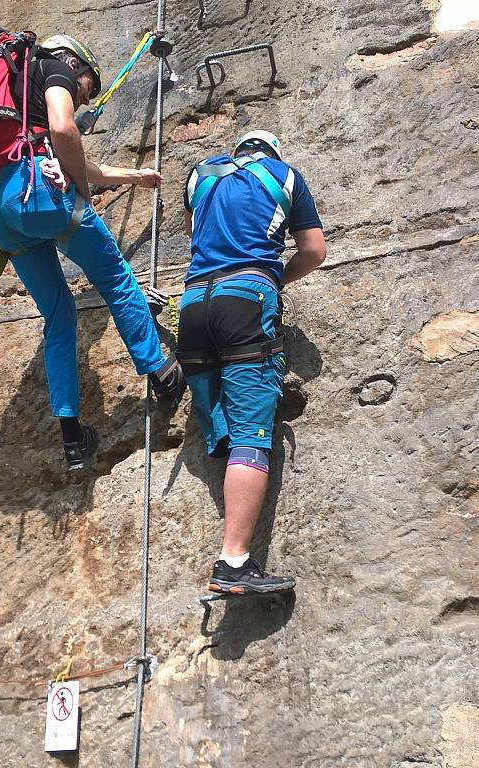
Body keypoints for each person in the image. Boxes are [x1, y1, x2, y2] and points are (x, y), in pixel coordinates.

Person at [0, 34, 184, 470]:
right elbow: (63, 130)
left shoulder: (15, 99)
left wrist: (134, 176)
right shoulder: (53, 68)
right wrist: (83, 195)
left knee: (58, 314)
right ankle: (162, 373)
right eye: (88, 87)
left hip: (2, 207)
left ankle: (72, 436)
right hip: (41, 192)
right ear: (74, 62)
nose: (84, 96)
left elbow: (62, 152)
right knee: (114, 277)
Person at [177, 130, 326, 594]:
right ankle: (234, 562)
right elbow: (314, 251)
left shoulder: (200, 175)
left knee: (220, 430)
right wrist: (275, 275)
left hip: (193, 303)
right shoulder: (284, 176)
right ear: (273, 153)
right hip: (245, 297)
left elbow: (194, 232)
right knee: (251, 435)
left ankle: (233, 506)